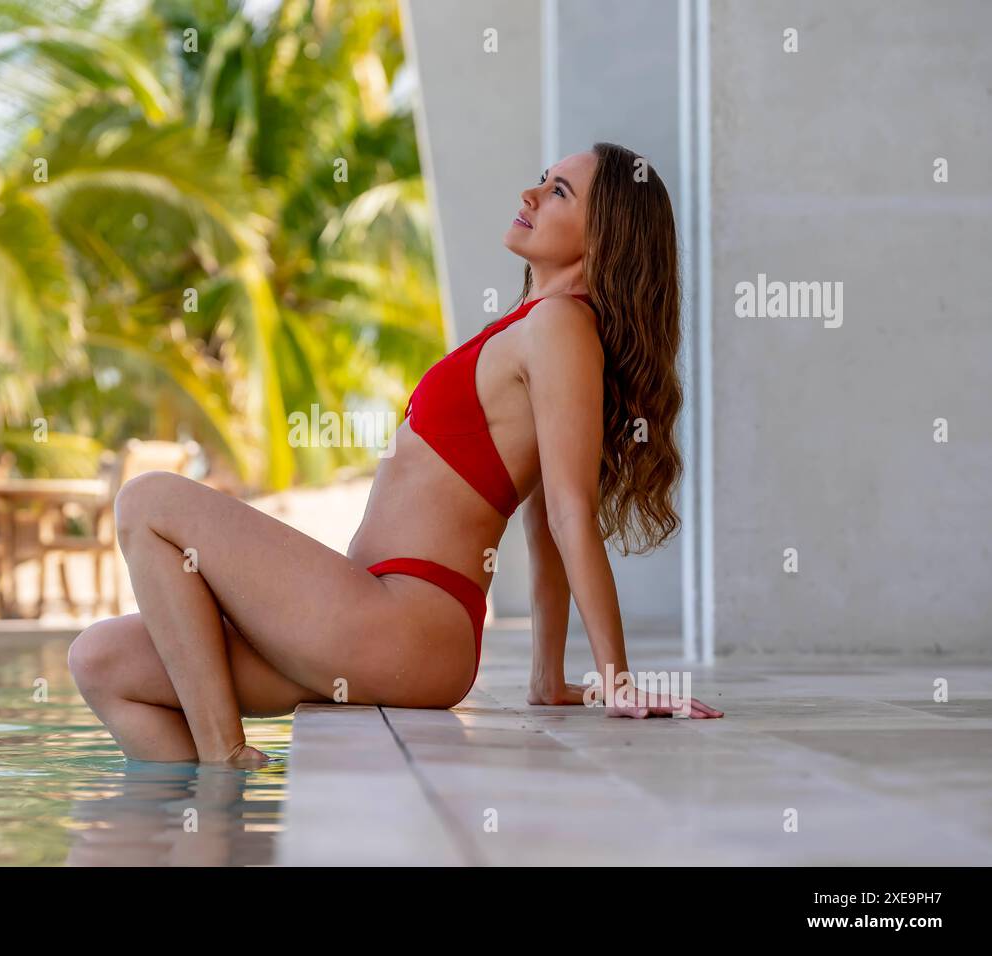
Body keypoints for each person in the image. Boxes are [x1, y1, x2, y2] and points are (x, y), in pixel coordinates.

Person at [69, 143, 723, 767]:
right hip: (365, 615)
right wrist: (547, 679)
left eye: (558, 192)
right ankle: (216, 826)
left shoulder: (561, 328)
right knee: (101, 664)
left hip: (408, 622)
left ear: (602, 237)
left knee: (147, 500)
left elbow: (570, 514)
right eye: (543, 178)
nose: (530, 192)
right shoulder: (532, 325)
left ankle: (223, 759)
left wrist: (618, 682)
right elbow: (544, 513)